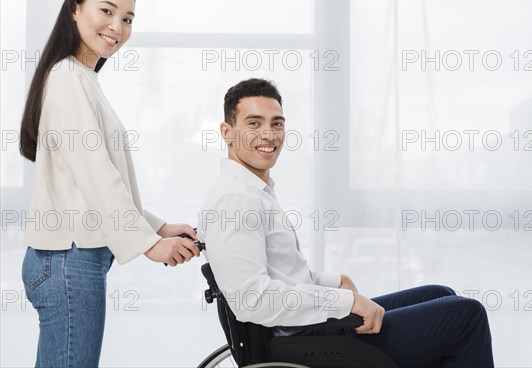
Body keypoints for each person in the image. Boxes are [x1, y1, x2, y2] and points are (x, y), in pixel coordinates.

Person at [200, 78, 494, 367]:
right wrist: (346, 302)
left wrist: (334, 282)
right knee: (466, 315)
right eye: (254, 123)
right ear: (227, 132)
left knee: (439, 295)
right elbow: (253, 298)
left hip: (308, 326)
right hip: (302, 340)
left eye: (276, 123)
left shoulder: (254, 192)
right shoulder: (235, 199)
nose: (269, 134)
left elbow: (284, 277)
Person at [19, 0, 200, 367]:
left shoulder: (80, 77)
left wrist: (157, 226)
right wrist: (150, 244)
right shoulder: (68, 77)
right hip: (69, 261)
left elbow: (97, 181)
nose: (118, 27)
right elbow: (96, 176)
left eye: (129, 19)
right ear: (75, 10)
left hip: (71, 259)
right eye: (107, 10)